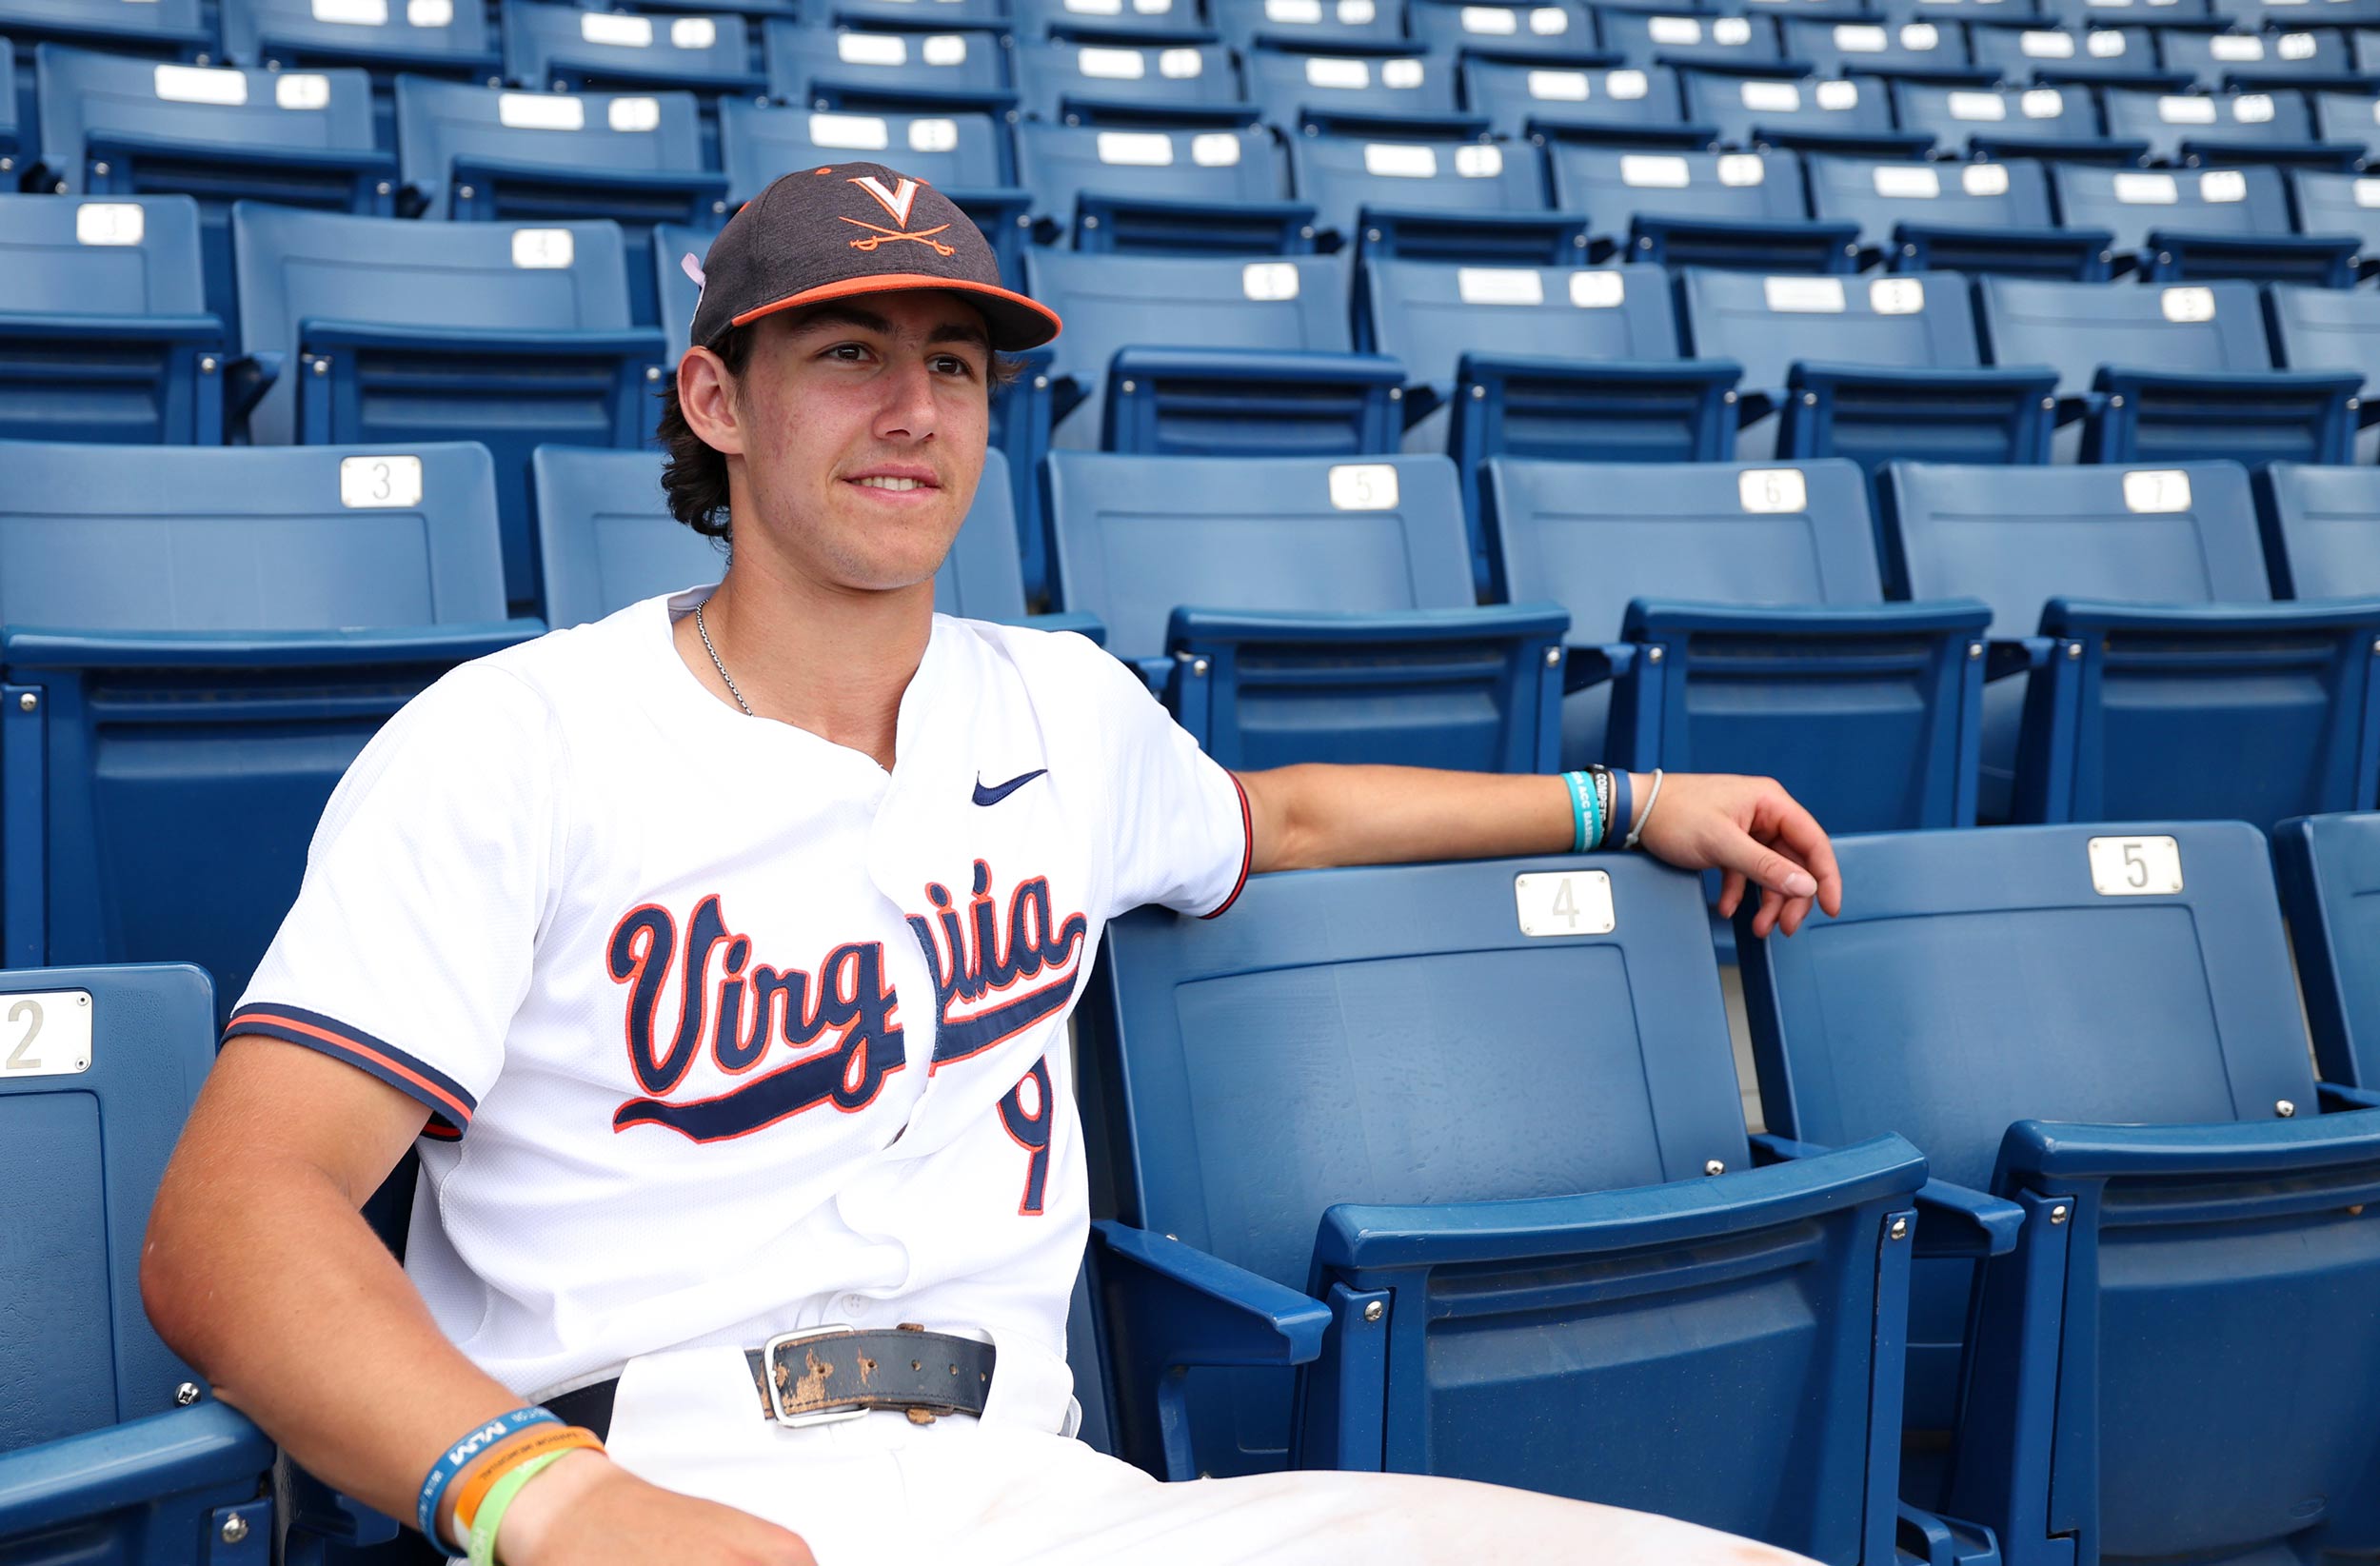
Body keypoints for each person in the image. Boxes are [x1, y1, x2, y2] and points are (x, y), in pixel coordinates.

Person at [140, 164, 1845, 1566]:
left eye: (953, 364)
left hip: (1033, 1481)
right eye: (847, 354)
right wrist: (540, 1496)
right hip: (644, 1468)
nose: (912, 409)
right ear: (714, 396)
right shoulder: (516, 737)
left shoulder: (1066, 710)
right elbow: (233, 1222)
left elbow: (1287, 818)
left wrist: (1631, 801)